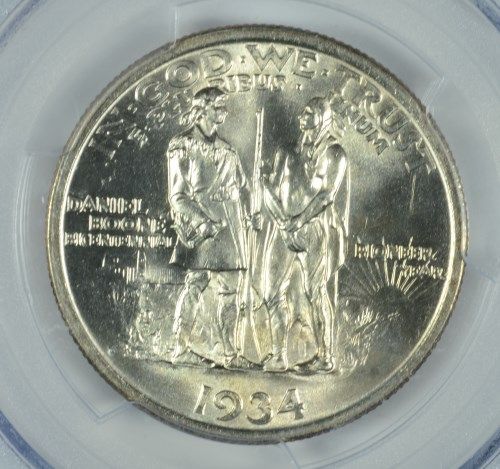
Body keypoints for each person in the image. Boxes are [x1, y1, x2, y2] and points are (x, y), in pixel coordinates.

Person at [261, 96, 349, 372]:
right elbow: (269, 189)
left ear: (323, 118)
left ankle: (326, 356)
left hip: (313, 230)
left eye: (309, 113)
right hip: (283, 229)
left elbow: (327, 196)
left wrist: (297, 222)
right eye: (303, 113)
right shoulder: (286, 151)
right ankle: (278, 355)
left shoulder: (335, 153)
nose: (303, 118)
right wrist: (282, 221)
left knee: (316, 292)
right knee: (271, 292)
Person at [166, 87, 248, 368]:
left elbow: (240, 188)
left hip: (229, 230)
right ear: (202, 108)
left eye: (225, 105)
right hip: (200, 229)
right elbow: (177, 197)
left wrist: (247, 210)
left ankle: (229, 353)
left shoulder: (228, 150)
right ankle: (180, 347)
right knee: (195, 284)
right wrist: (203, 223)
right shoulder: (182, 145)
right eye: (218, 105)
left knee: (230, 290)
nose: (224, 110)